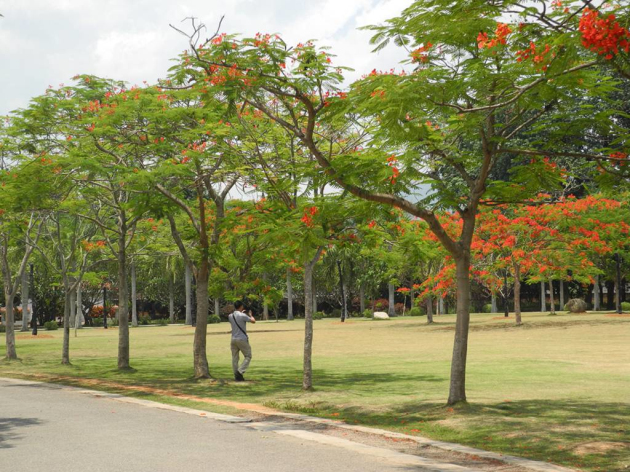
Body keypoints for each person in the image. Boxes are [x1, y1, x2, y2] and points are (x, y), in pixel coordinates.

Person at [229, 301, 255, 381]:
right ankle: (240, 372)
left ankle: (236, 375)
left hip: (233, 339)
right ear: (241, 306)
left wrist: (242, 313)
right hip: (242, 339)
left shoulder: (230, 316)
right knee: (248, 356)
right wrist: (250, 315)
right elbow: (253, 321)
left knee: (235, 358)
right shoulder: (243, 315)